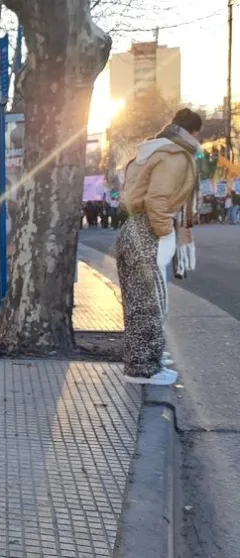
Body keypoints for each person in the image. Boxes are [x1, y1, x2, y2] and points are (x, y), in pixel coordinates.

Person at [117, 108, 202, 386]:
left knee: (138, 302)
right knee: (150, 303)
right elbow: (157, 199)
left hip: (132, 228)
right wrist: (165, 233)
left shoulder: (149, 151)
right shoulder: (175, 155)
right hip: (147, 230)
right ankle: (143, 370)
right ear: (194, 132)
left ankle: (142, 360)